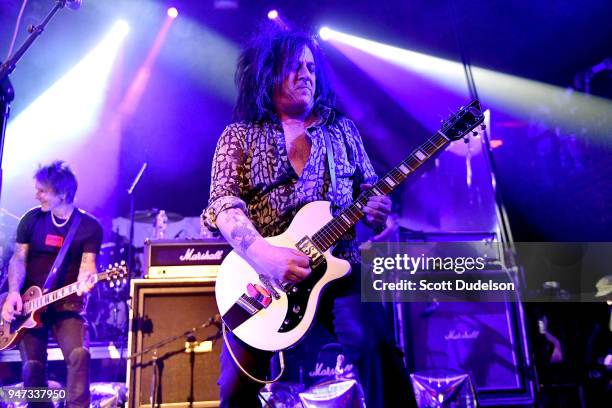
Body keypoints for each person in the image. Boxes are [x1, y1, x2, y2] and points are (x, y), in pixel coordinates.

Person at [203, 26, 415, 407]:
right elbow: (222, 204)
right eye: (294, 67)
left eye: (311, 67)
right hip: (261, 277)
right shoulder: (240, 135)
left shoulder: (343, 131)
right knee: (235, 389)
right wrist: (265, 256)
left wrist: (377, 210)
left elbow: (370, 195)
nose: (306, 75)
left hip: (339, 270)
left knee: (378, 351)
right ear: (268, 73)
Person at [1, 160, 103, 408]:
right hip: (27, 305)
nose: (36, 195)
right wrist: (13, 293)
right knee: (32, 369)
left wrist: (85, 282)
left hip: (66, 305)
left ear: (63, 193)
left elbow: (88, 268)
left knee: (80, 355)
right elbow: (18, 259)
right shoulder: (31, 220)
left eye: (42, 190)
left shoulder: (89, 227)